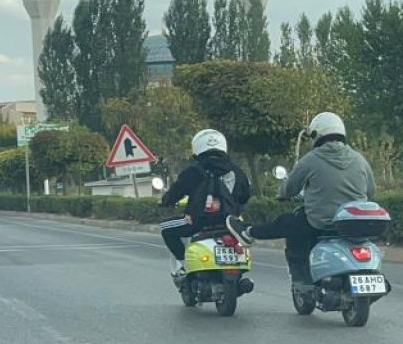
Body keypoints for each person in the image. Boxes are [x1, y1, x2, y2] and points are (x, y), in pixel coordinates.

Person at [226, 112, 375, 285]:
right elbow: (371, 191)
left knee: (287, 222)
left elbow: (288, 189)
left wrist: (282, 194)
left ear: (316, 135)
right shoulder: (360, 159)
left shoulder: (311, 159)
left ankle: (248, 233)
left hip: (321, 222)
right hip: (354, 223)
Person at [159, 129, 252, 279]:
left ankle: (184, 264)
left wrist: (166, 202)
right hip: (230, 224)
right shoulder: (238, 172)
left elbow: (176, 192)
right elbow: (245, 196)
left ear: (197, 147)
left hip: (198, 221)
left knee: (164, 227)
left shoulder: (194, 171)